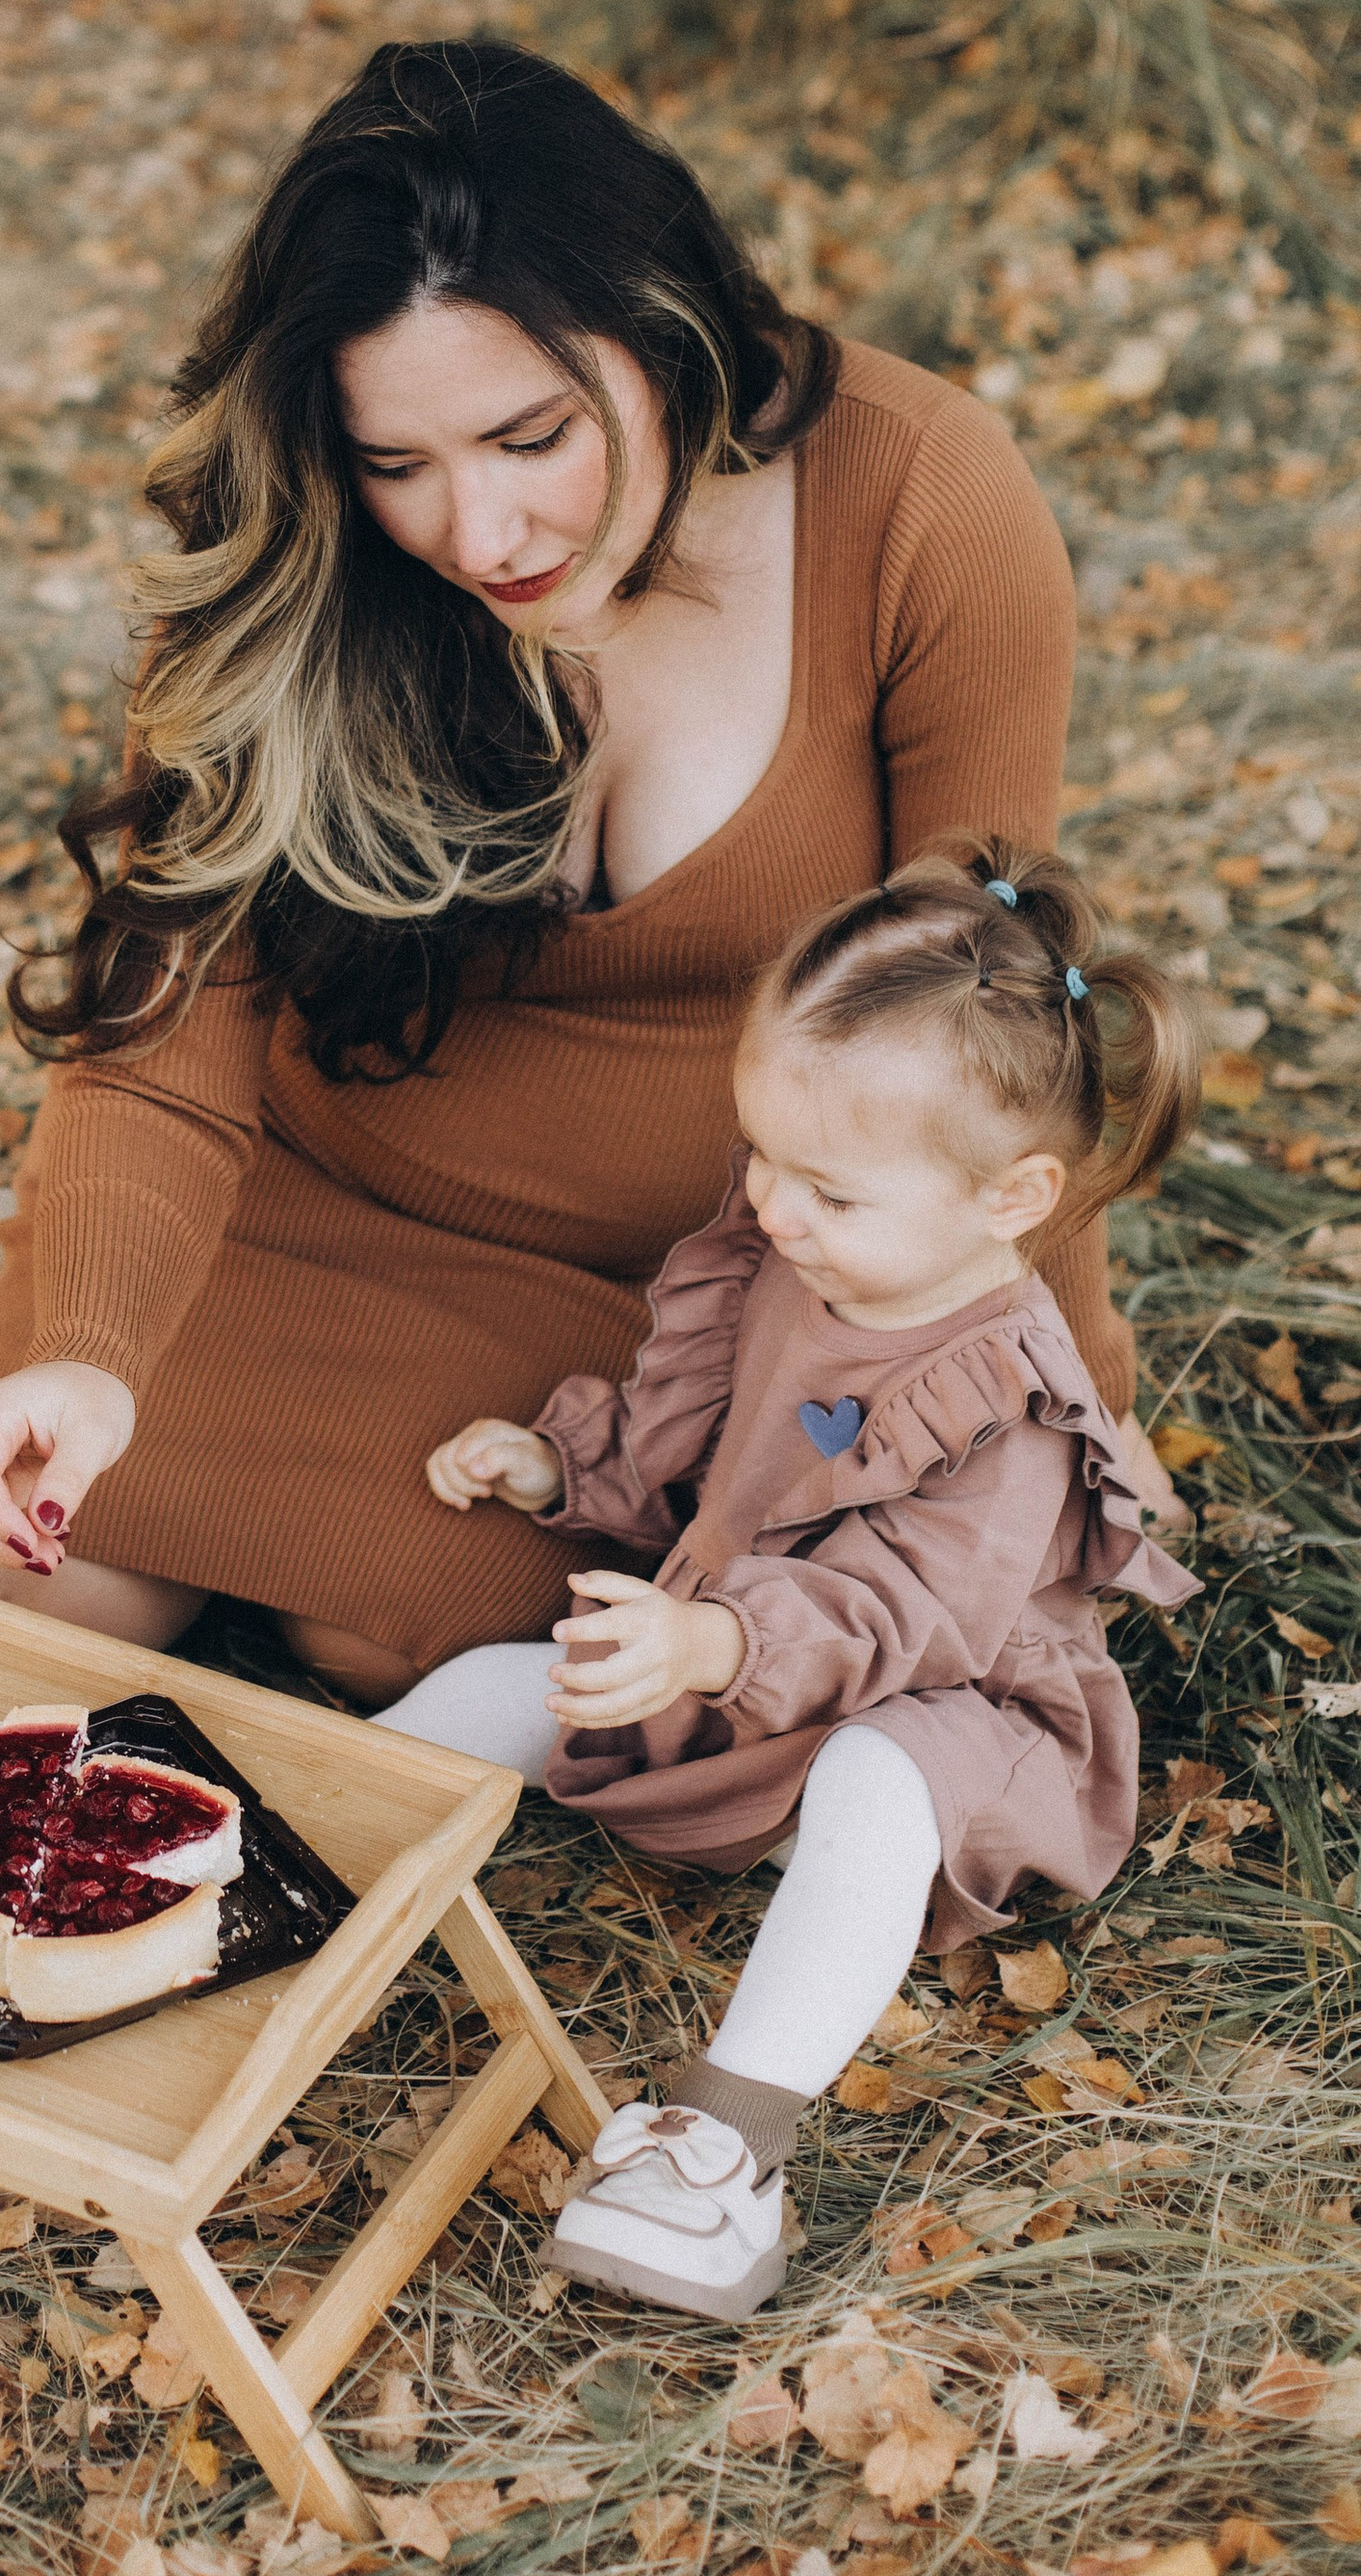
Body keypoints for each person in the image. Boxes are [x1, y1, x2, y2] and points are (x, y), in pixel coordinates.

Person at [0, 39, 1180, 1680]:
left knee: (435, 1631)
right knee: (46, 1593)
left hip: (704, 1278)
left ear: (661, 329)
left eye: (531, 436)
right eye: (399, 465)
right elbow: (171, 1015)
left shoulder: (921, 496)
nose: (481, 535)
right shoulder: (305, 566)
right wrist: (89, 1341)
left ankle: (13, 1288)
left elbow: (993, 1024)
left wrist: (1060, 1409)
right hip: (308, 1188)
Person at [375, 840, 1201, 2317]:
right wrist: (571, 1471)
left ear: (1012, 1197)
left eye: (826, 1185)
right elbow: (709, 1452)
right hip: (740, 1655)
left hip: (949, 1704)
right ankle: (294, 1853)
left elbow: (906, 1612)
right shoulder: (787, 1263)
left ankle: (719, 2152)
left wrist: (705, 1646)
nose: (773, 1205)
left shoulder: (1003, 1397)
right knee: (498, 1686)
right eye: (760, 1156)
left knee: (877, 1786)